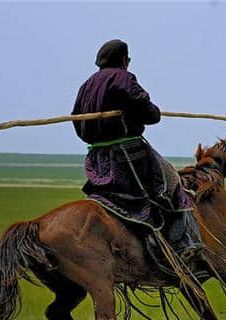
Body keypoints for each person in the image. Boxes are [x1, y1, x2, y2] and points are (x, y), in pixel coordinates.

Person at [72, 39, 202, 261]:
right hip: (127, 153)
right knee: (171, 180)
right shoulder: (123, 78)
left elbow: (77, 120)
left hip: (96, 158)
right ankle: (184, 243)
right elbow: (148, 112)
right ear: (123, 60)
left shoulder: (86, 85)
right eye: (128, 60)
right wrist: (153, 112)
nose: (128, 64)